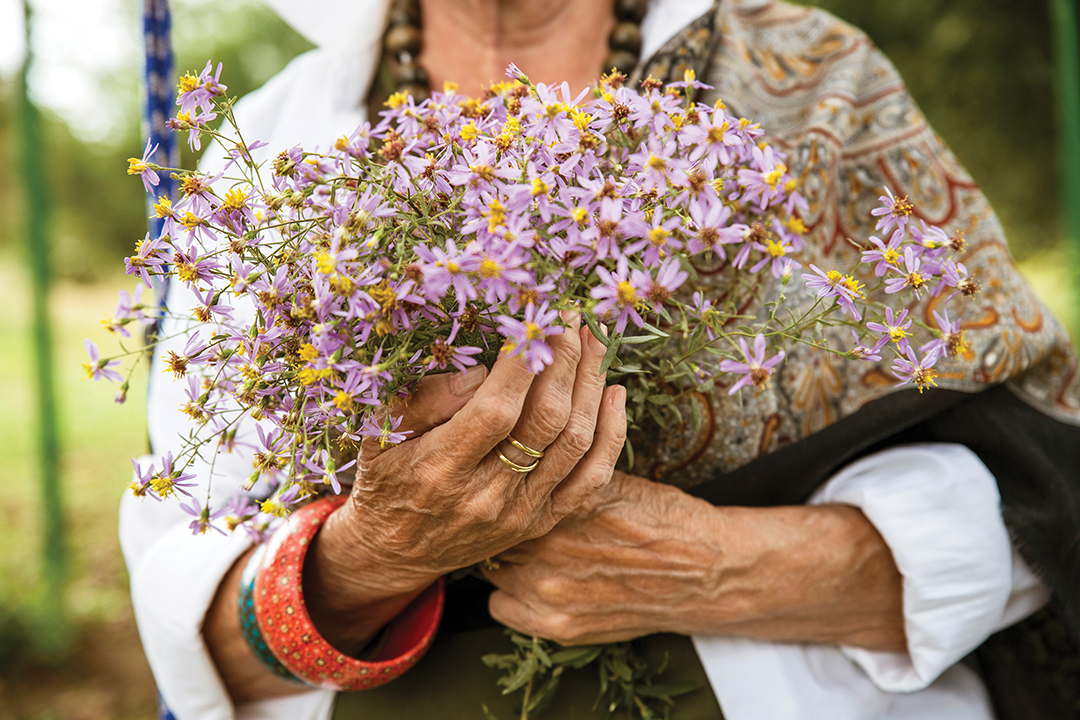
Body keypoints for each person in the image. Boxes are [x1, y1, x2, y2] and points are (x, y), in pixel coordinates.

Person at [119, 1, 1080, 719]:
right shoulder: (275, 150)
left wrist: (727, 567)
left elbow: (1048, 502)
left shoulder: (810, 80)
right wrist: (370, 560)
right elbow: (194, 628)